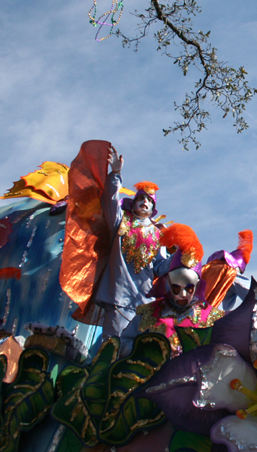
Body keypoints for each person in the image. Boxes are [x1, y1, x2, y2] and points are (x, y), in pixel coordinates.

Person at [94, 147, 167, 339]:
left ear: (153, 208)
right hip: (118, 296)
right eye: (141, 198)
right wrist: (116, 174)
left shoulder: (159, 235)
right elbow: (109, 201)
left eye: (149, 200)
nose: (144, 202)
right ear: (133, 203)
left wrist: (181, 256)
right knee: (113, 347)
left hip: (144, 301)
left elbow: (160, 267)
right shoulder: (121, 221)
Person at [119, 224, 223, 357]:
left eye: (189, 288)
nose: (182, 294)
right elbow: (123, 345)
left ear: (197, 286)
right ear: (168, 283)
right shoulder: (147, 313)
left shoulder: (212, 319)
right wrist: (151, 351)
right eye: (176, 288)